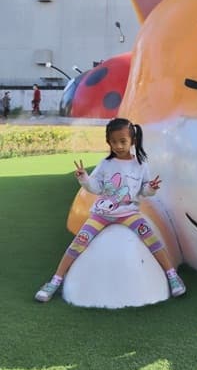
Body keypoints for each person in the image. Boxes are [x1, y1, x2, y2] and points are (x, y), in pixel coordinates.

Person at [34, 117, 186, 302]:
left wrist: (151, 188)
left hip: (129, 214)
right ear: (108, 142)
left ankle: (172, 276)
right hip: (102, 215)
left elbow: (144, 191)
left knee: (151, 239)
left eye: (123, 141)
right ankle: (55, 281)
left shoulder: (140, 165)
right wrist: (84, 178)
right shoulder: (106, 164)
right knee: (78, 242)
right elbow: (96, 188)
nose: (118, 146)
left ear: (133, 141)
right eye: (113, 142)